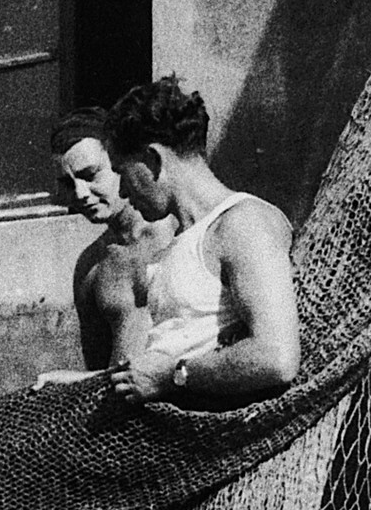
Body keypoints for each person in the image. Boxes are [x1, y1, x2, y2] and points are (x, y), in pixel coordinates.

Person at [104, 77, 301, 403]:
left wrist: (172, 377)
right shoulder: (180, 241)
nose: (123, 193)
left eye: (122, 173)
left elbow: (276, 357)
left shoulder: (243, 224)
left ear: (153, 161)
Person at [35, 108, 176, 387]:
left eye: (91, 175)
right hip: (125, 423)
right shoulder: (91, 265)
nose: (80, 194)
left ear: (119, 160)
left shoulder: (179, 232)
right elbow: (97, 378)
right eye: (67, 183)